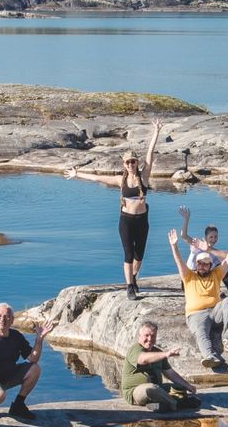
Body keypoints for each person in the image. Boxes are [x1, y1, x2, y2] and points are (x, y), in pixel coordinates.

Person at [65, 120, 162, 299]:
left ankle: (133, 277)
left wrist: (156, 131)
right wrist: (77, 174)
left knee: (139, 256)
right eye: (128, 162)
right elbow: (98, 178)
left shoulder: (144, 177)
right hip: (126, 220)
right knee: (128, 254)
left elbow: (150, 154)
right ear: (124, 164)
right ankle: (130, 287)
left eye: (133, 162)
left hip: (142, 220)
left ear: (136, 162)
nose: (131, 165)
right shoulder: (120, 180)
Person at [168, 226, 228, 368]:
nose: (202, 266)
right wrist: (174, 246)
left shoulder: (216, 274)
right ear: (196, 264)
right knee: (201, 334)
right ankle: (210, 357)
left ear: (210, 265)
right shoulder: (189, 276)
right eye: (199, 263)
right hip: (196, 315)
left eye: (205, 264)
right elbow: (179, 261)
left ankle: (227, 338)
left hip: (215, 312)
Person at [121, 320, 202, 412]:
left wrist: (188, 386)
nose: (150, 339)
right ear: (139, 336)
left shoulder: (158, 352)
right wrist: (166, 354)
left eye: (153, 336)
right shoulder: (135, 349)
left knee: (179, 388)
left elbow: (170, 373)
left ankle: (157, 405)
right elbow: (143, 359)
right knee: (151, 389)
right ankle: (176, 404)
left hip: (158, 387)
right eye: (146, 335)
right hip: (135, 392)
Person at [177, 206, 228, 301]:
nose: (214, 239)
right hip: (189, 281)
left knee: (222, 264)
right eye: (211, 237)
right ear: (205, 237)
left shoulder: (214, 251)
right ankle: (217, 293)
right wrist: (186, 219)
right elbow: (184, 236)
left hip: (203, 279)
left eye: (215, 237)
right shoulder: (197, 244)